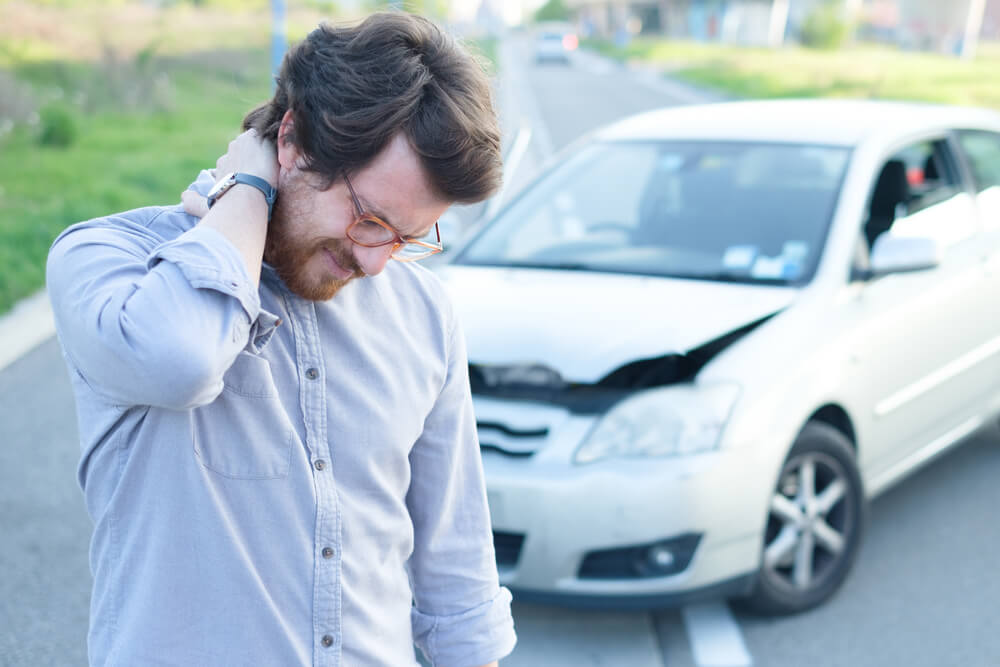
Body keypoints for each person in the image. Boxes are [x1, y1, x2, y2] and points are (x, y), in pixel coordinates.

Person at [46, 12, 515, 667]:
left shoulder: (425, 310)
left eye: (409, 238)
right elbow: (178, 361)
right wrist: (249, 188)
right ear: (292, 139)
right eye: (370, 219)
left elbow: (458, 587)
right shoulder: (111, 261)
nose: (376, 262)